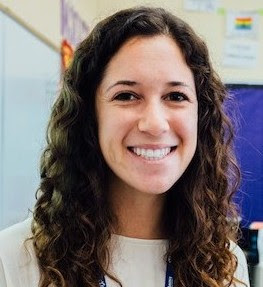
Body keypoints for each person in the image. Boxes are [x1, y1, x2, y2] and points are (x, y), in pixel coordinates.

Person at [0, 6, 250, 287]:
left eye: (176, 96)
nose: (155, 124)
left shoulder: (225, 265)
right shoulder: (14, 260)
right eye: (127, 95)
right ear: (90, 115)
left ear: (200, 117)